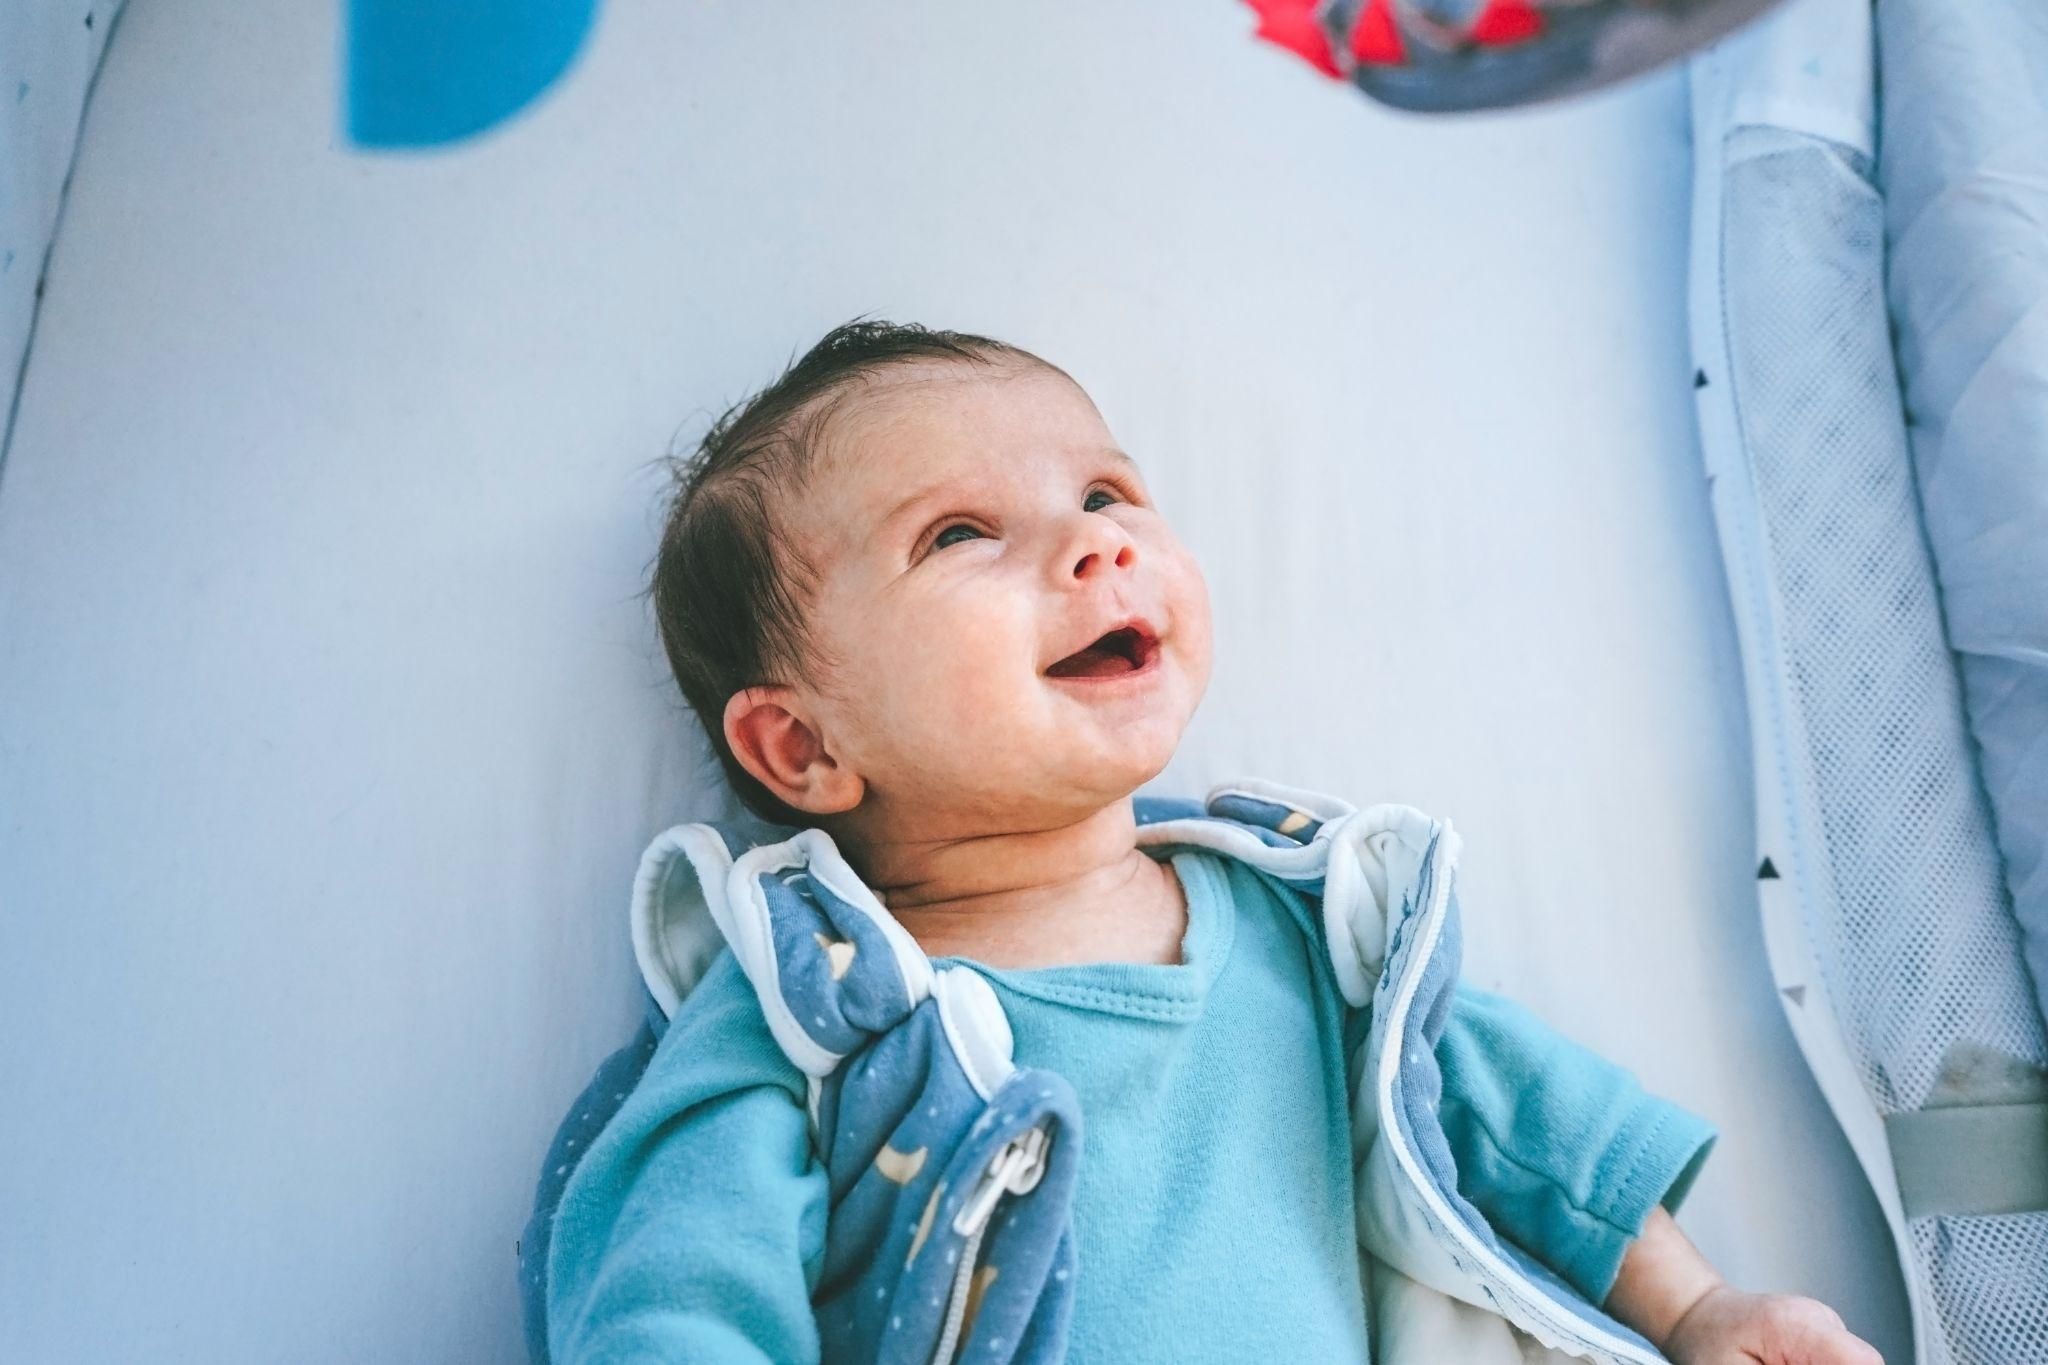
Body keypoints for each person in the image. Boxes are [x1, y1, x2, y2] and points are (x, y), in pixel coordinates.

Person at [542, 320, 1881, 1364]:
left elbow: (1518, 1130)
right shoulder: (814, 1010)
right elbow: (679, 1286)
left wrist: (1700, 1306)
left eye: (1109, 492)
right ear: (803, 748)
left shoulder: (1309, 930)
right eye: (960, 533)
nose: (1094, 548)